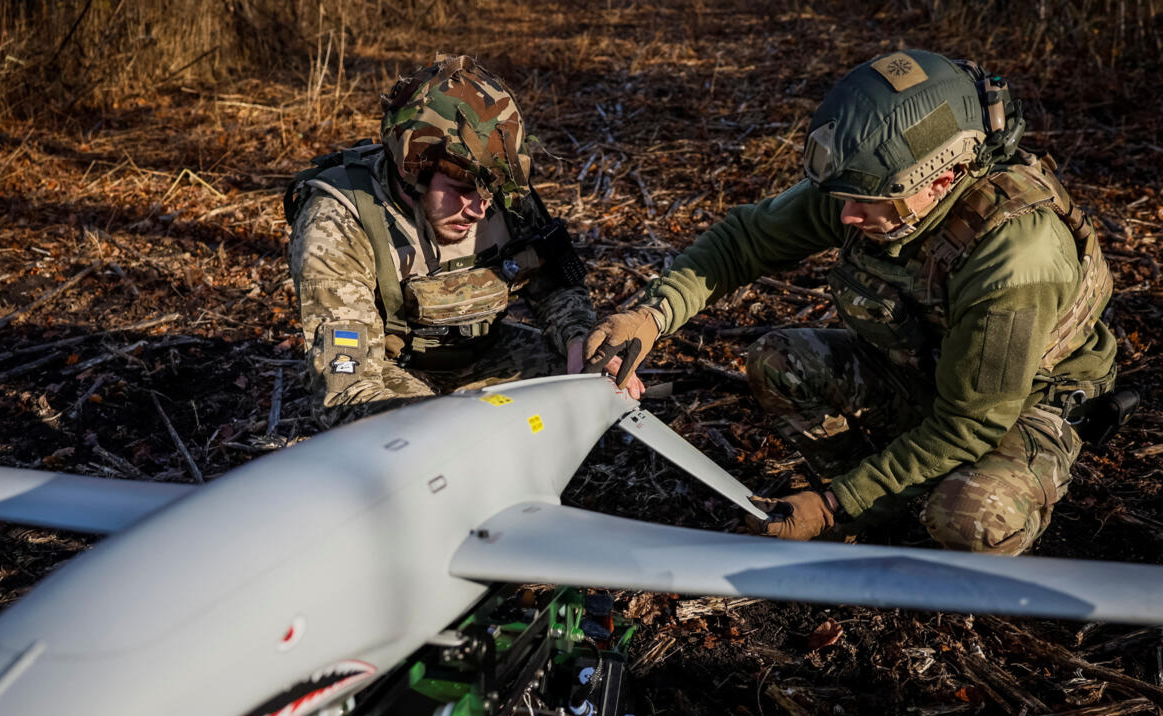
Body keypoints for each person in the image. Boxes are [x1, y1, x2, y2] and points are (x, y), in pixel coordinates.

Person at [585, 50, 1119, 555]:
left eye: (865, 202)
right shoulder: (873, 186)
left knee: (971, 518)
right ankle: (877, 496)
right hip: (928, 372)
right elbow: (744, 241)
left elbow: (971, 424)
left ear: (943, 179)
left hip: (1022, 404)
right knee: (780, 362)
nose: (845, 217)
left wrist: (834, 508)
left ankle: (867, 500)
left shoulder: (1014, 255)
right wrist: (650, 317)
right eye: (844, 198)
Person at [286, 55, 622, 429]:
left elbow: (554, 288)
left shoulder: (500, 193)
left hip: (484, 355)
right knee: (415, 439)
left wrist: (578, 340)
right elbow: (348, 389)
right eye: (462, 190)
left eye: (490, 193)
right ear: (411, 169)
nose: (480, 210)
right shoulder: (338, 220)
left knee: (595, 385)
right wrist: (451, 425)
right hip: (389, 372)